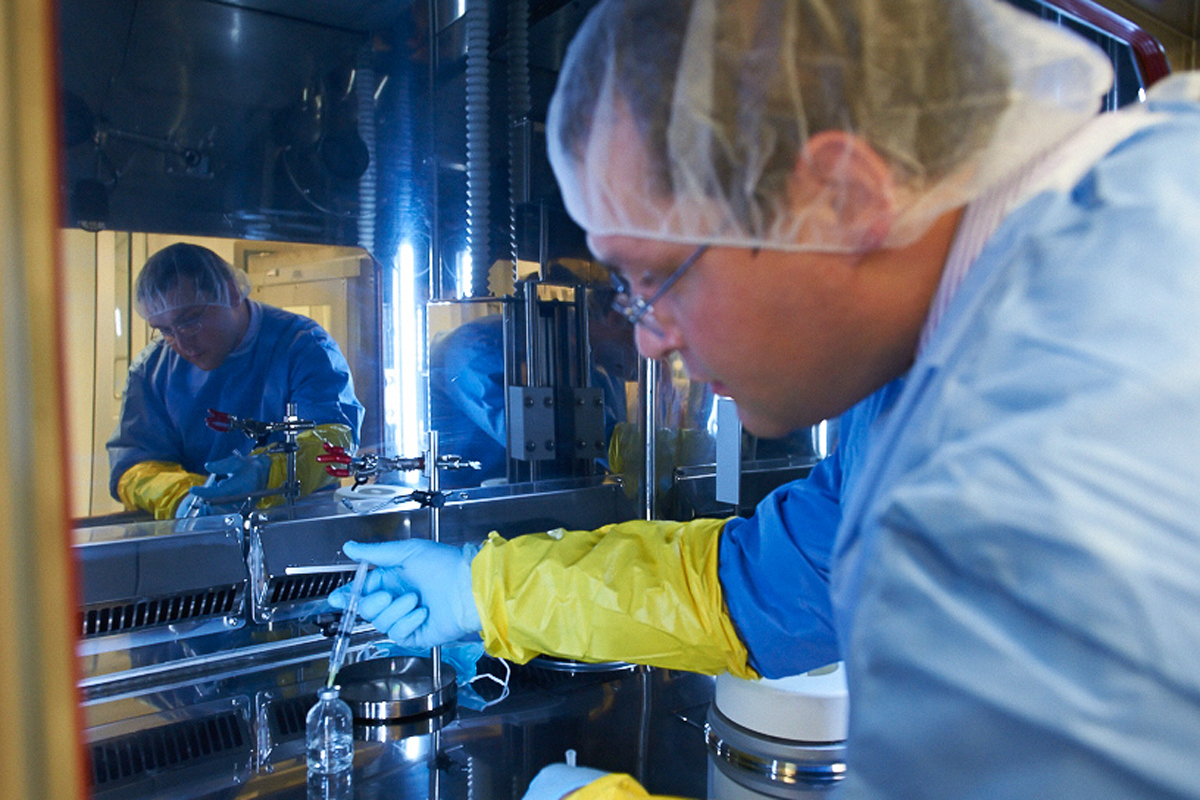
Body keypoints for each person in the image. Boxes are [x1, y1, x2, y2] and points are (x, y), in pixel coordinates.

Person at [331, 0, 1200, 797]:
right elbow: (780, 582)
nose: (642, 336)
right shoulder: (944, 333)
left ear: (840, 198)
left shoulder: (1062, 429)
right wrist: (492, 592)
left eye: (653, 277)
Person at [107, 243, 364, 519]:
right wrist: (186, 498)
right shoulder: (152, 370)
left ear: (230, 293)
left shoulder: (302, 346)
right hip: (200, 538)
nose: (180, 343)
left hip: (295, 530)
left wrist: (267, 471)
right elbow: (133, 468)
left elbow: (334, 439)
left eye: (190, 321)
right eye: (165, 330)